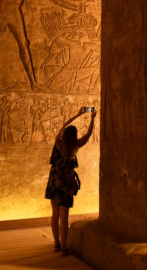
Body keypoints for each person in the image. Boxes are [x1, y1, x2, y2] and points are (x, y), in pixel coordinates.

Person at [45, 106, 96, 255]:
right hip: (66, 183)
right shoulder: (75, 146)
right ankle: (64, 248)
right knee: (64, 216)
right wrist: (92, 119)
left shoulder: (58, 144)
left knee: (55, 213)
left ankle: (56, 244)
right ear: (74, 137)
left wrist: (77, 115)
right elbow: (89, 134)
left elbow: (62, 128)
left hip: (54, 181)